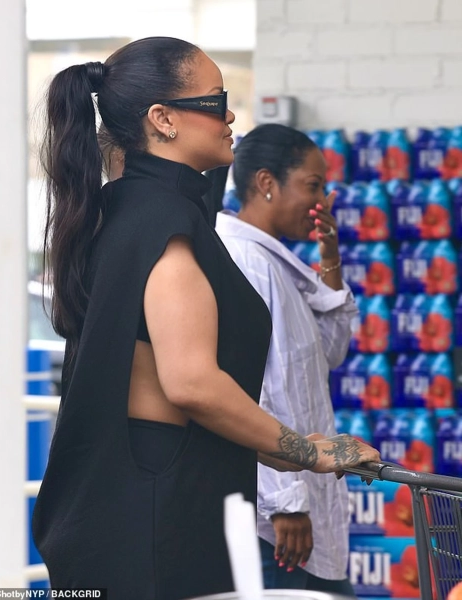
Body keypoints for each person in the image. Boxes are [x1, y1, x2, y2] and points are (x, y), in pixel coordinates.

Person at [32, 36, 380, 600]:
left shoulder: (127, 209)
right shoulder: (164, 221)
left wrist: (289, 447)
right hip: (157, 524)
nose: (230, 116)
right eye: (216, 102)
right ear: (163, 119)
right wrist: (312, 453)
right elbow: (191, 383)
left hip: (142, 511)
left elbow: (168, 389)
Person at [215, 124, 358, 596]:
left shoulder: (273, 262)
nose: (321, 202)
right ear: (266, 183)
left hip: (303, 500)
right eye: (312, 186)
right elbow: (254, 388)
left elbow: (330, 353)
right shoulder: (245, 261)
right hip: (281, 521)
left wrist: (330, 256)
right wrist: (284, 500)